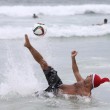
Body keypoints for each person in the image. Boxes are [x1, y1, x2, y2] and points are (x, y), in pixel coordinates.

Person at [24, 34, 109, 97]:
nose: (89, 75)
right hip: (57, 84)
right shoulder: (81, 81)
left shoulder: (86, 94)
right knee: (44, 63)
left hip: (54, 94)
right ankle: (29, 46)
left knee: (33, 96)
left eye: (91, 76)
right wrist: (73, 58)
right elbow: (76, 71)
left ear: (91, 82)